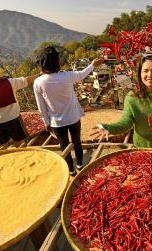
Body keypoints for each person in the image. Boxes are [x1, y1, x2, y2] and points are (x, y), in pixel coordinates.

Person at [33, 46, 104, 176]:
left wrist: (46, 122)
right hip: (73, 118)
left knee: (64, 146)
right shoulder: (67, 76)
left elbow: (41, 107)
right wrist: (92, 64)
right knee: (77, 142)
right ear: (57, 63)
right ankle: (80, 164)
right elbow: (82, 74)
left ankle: (70, 170)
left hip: (56, 123)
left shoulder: (38, 82)